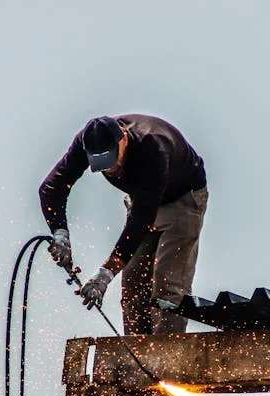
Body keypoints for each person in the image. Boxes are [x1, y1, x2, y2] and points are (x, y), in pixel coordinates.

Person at [39, 114, 208, 335]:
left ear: (124, 139)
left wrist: (104, 275)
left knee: (167, 289)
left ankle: (167, 358)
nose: (109, 169)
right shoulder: (85, 143)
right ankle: (136, 358)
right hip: (141, 201)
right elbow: (51, 188)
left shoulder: (153, 147)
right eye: (101, 165)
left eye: (112, 159)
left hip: (181, 200)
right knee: (133, 287)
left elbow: (140, 223)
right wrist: (60, 234)